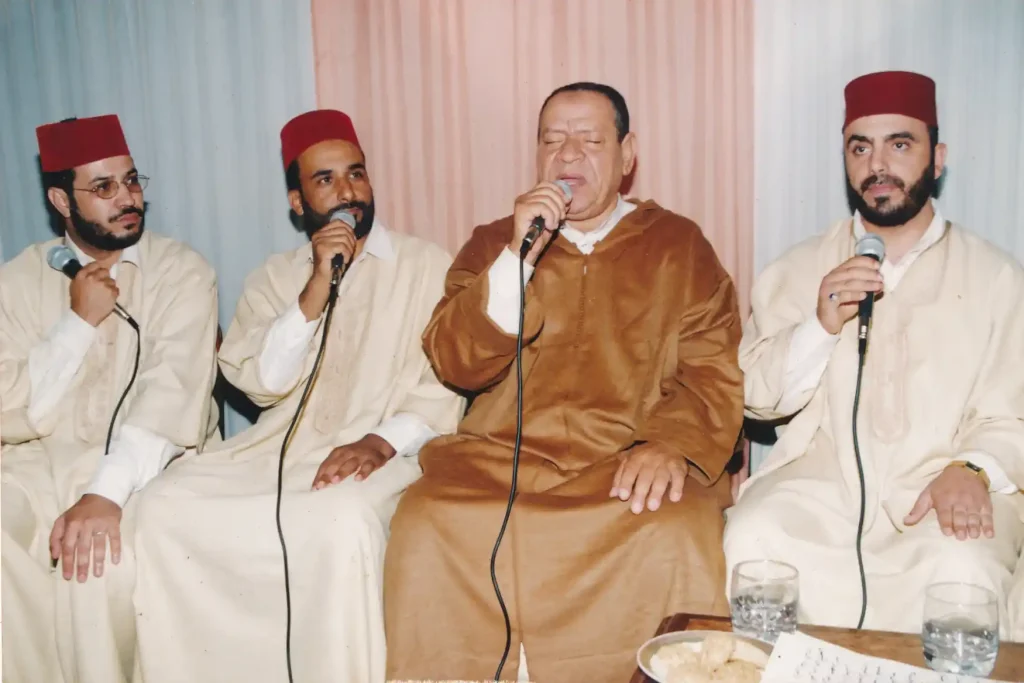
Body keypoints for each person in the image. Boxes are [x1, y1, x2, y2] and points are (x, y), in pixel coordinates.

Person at [384, 82, 745, 682]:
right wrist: (517, 258)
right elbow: (454, 360)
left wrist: (671, 445)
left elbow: (713, 367)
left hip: (622, 466)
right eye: (553, 140)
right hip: (500, 464)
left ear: (627, 155)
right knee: (425, 520)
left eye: (590, 140)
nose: (569, 154)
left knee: (676, 528)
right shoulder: (494, 242)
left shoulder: (678, 245)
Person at [131, 109, 465, 683]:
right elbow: (260, 382)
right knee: (162, 505)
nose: (348, 192)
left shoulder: (426, 264)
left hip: (385, 451)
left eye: (356, 173)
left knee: (340, 520)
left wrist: (379, 441)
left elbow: (444, 381)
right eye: (325, 180)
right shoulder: (274, 276)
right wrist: (314, 286)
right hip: (273, 451)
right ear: (297, 201)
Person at [726, 71, 1024, 635]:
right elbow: (756, 400)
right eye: (860, 148)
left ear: (938, 159)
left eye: (900, 144)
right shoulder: (799, 266)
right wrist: (820, 325)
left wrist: (974, 468)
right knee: (755, 535)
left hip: (940, 487)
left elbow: (1013, 413)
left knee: (962, 567)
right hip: (822, 486)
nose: (877, 165)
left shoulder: (998, 278)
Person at [0, 114, 219, 683]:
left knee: (93, 565)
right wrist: (76, 324)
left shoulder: (182, 272)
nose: (128, 199)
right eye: (103, 187)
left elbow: (171, 394)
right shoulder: (16, 282)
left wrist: (105, 493)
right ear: (61, 201)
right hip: (37, 464)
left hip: (149, 468)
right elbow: (6, 406)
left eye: (131, 180)